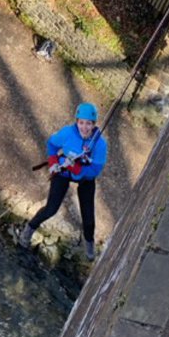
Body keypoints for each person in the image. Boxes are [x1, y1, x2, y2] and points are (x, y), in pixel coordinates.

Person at [19, 102, 107, 260]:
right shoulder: (67, 133)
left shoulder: (99, 145)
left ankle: (89, 246)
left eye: (88, 124)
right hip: (64, 170)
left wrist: (77, 169)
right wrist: (53, 163)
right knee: (51, 209)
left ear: (94, 125)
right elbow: (52, 145)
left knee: (88, 218)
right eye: (81, 123)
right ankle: (29, 230)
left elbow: (95, 170)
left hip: (85, 177)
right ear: (77, 122)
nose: (84, 127)